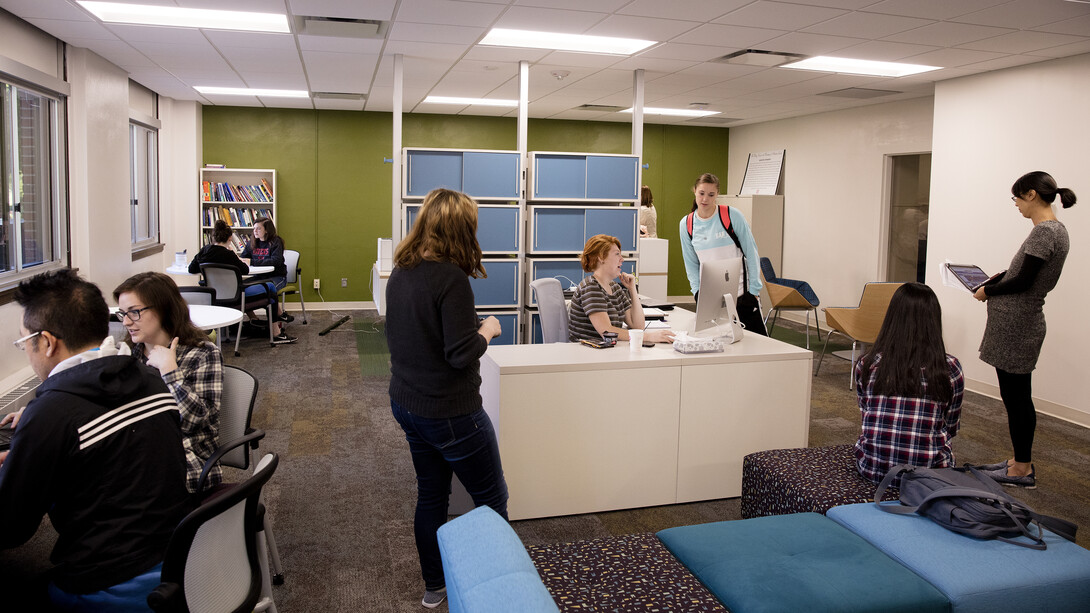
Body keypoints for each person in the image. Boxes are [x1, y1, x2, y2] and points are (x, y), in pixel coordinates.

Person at [0, 269, 192, 612]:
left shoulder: (50, 413)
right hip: (182, 562)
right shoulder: (150, 378)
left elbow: (10, 528)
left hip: (109, 586)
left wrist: (19, 461)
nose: (27, 352)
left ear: (46, 342)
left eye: (24, 342)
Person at [384, 188, 509, 609]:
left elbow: (419, 335)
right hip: (451, 412)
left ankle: (434, 587)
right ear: (461, 228)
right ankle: (497, 585)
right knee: (491, 499)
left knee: (431, 496)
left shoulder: (403, 269)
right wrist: (487, 329)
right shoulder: (451, 278)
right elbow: (459, 354)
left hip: (408, 403)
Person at [972, 171, 1076, 488]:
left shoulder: (1045, 232)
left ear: (1031, 195)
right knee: (1016, 397)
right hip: (1019, 322)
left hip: (1018, 325)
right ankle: (1018, 461)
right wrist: (999, 280)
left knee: (1017, 398)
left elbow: (1024, 282)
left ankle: (1022, 469)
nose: (1016, 205)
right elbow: (1022, 275)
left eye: (1017, 198)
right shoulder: (1055, 231)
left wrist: (987, 291)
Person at [114, 272, 223, 493]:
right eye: (123, 313)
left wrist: (170, 371)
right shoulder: (128, 356)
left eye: (134, 312)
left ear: (163, 309)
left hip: (186, 463)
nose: (126, 322)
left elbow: (195, 421)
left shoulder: (201, 354)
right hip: (139, 455)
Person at [854, 283, 964, 485]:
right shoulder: (950, 368)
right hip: (929, 477)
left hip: (873, 470)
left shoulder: (867, 364)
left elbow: (866, 415)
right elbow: (951, 426)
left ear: (892, 318)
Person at [678, 172, 767, 335]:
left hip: (742, 295)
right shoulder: (687, 224)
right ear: (695, 191)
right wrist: (697, 292)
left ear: (717, 194)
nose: (705, 199)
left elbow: (751, 253)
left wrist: (754, 291)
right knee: (716, 346)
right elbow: (690, 264)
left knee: (757, 344)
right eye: (702, 193)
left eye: (711, 195)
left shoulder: (732, 216)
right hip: (711, 299)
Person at [193, 219, 293, 342]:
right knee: (270, 288)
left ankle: (257, 321)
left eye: (258, 228)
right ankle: (276, 332)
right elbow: (244, 269)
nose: (255, 231)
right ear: (230, 238)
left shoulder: (204, 251)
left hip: (214, 295)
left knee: (265, 284)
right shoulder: (229, 255)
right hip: (236, 295)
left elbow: (192, 268)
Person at [568, 234, 675, 344]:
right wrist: (648, 337)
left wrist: (632, 289)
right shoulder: (590, 287)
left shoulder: (615, 287)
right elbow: (606, 331)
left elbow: (637, 325)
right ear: (601, 257)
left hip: (606, 351)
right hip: (587, 353)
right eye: (617, 254)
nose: (622, 259)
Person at [242, 217, 298, 341]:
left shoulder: (276, 242)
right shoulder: (252, 242)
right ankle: (254, 320)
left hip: (277, 277)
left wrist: (254, 262)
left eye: (258, 228)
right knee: (241, 289)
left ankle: (277, 324)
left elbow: (276, 261)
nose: (255, 231)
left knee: (268, 291)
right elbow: (244, 259)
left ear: (266, 230)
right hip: (259, 276)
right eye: (254, 229)